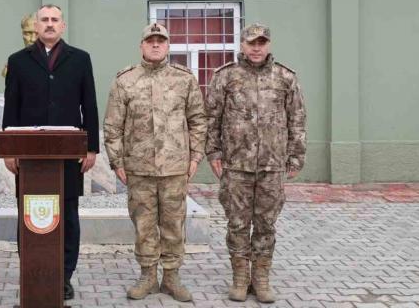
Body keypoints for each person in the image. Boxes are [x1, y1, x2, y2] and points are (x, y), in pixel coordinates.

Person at [103, 22, 208, 302]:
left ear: (168, 45)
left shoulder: (184, 79)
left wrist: (195, 156)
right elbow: (112, 126)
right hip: (139, 169)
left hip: (175, 168)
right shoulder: (125, 80)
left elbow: (198, 120)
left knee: (173, 224)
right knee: (144, 225)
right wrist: (117, 162)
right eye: (150, 40)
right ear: (142, 45)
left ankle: (171, 277)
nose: (156, 44)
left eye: (161, 40)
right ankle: (148, 276)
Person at [2, 3, 99, 301]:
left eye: (55, 19)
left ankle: (64, 277)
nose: (49, 24)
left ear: (63, 25)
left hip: (67, 156)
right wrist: (9, 150)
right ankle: (32, 273)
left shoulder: (80, 59)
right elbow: (11, 107)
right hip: (30, 160)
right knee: (28, 216)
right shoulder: (18, 61)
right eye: (44, 19)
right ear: (36, 25)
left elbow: (89, 104)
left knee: (67, 217)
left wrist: (91, 148)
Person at [205, 23, 307, 303]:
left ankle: (261, 278)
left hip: (272, 166)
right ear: (242, 45)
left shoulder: (285, 77)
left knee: (266, 224)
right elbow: (212, 118)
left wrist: (296, 155)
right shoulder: (226, 76)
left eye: (261, 43)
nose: (256, 48)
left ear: (268, 45)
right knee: (237, 223)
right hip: (236, 166)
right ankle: (240, 277)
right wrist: (213, 153)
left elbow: (297, 118)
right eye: (251, 43)